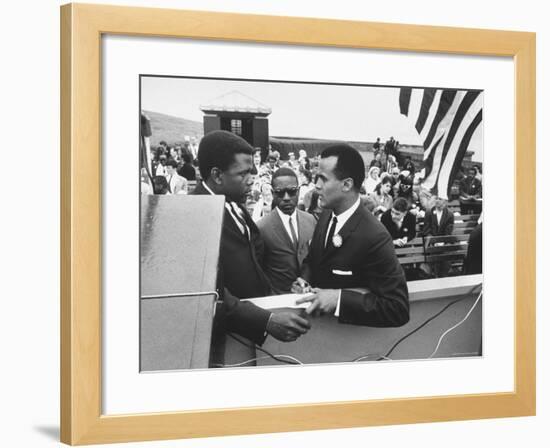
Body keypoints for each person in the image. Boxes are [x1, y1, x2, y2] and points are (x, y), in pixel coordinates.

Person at [191, 130, 311, 353]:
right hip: (225, 340)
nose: (252, 179)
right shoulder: (194, 216)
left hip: (251, 329)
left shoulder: (235, 204)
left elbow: (255, 261)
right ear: (217, 175)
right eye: (244, 173)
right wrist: (264, 321)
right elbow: (208, 292)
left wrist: (282, 293)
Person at [294, 144, 409, 327]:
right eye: (317, 178)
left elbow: (397, 308)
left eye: (323, 179)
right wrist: (305, 280)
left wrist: (338, 300)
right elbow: (314, 259)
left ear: (347, 184)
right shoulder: (326, 215)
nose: (316, 185)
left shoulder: (375, 236)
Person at [257, 168, 317, 294]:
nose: (286, 198)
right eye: (280, 193)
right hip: (278, 300)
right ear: (273, 193)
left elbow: (314, 258)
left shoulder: (311, 220)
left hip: (309, 296)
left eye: (291, 192)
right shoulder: (262, 228)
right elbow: (259, 271)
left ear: (299, 191)